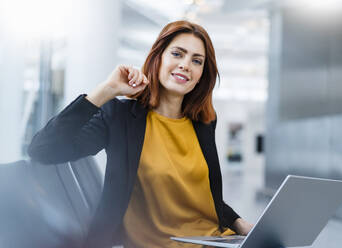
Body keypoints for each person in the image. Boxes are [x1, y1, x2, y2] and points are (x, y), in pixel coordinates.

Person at [28, 20, 253, 248]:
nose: (186, 65)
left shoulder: (204, 123)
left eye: (197, 61)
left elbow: (203, 198)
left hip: (216, 241)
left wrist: (241, 223)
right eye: (177, 54)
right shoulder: (120, 116)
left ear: (201, 74)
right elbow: (43, 150)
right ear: (159, 58)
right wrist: (106, 90)